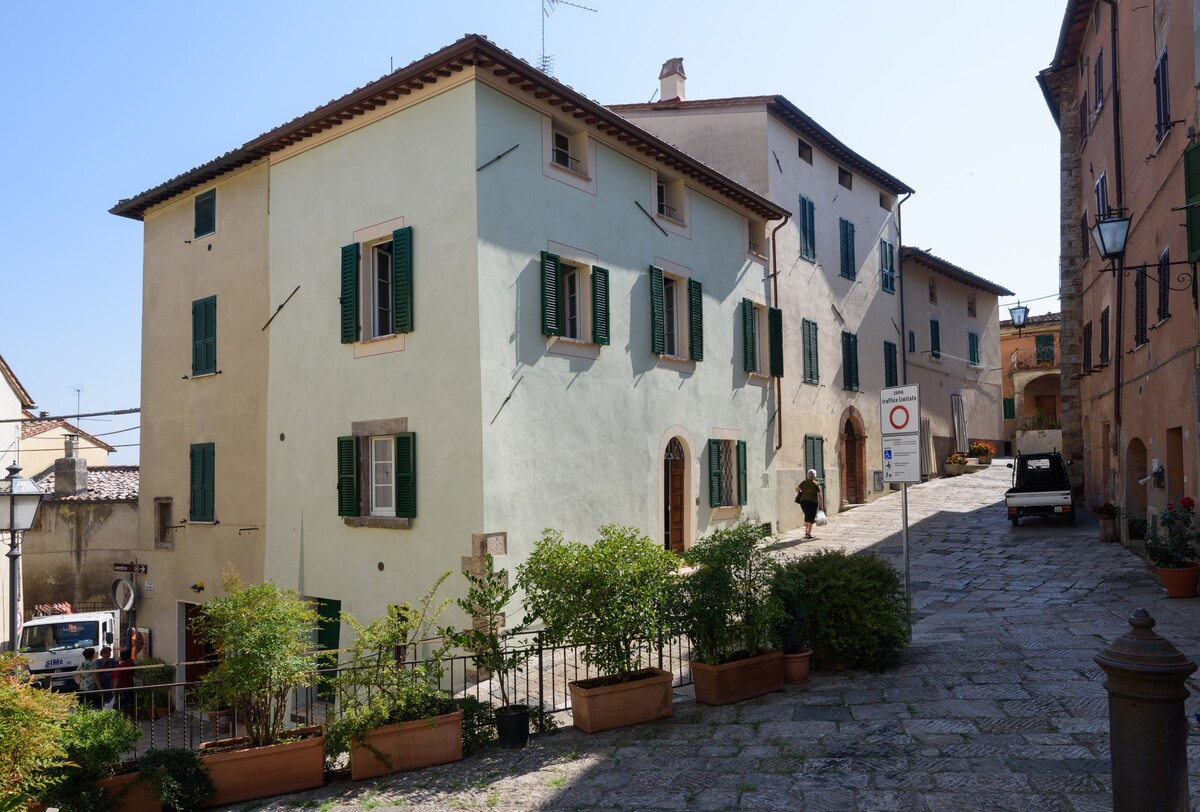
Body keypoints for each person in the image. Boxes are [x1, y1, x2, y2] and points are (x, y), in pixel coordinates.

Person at [795, 469, 824, 540]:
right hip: (812, 502)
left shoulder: (804, 482)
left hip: (803, 502)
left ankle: (806, 532)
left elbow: (797, 490)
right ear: (814, 476)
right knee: (811, 518)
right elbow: (819, 495)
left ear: (808, 475)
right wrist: (820, 505)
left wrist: (803, 492)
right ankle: (809, 534)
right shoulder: (816, 483)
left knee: (807, 516)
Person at [111, 648, 136, 716]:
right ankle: (129, 715)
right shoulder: (131, 664)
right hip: (130, 685)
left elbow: (116, 679)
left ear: (121, 657)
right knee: (129, 702)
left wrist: (114, 689)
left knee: (121, 703)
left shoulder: (120, 667)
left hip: (121, 687)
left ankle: (121, 716)